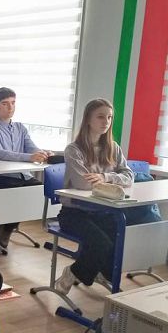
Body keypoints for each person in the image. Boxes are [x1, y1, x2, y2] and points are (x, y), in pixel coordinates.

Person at [55, 98, 134, 294]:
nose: (106, 121)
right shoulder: (74, 149)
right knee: (101, 242)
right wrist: (113, 181)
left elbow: (129, 176)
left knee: (120, 236)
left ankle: (99, 272)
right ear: (88, 119)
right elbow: (83, 183)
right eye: (100, 117)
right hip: (75, 213)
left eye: (109, 117)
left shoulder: (113, 148)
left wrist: (104, 177)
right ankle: (73, 272)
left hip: (103, 211)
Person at [0, 87, 51, 248]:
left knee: (39, 190)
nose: (10, 107)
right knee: (15, 192)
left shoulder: (20, 128)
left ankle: (8, 227)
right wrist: (29, 157)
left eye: (13, 103)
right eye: (5, 104)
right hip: (1, 177)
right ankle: (4, 225)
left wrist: (42, 153)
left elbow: (31, 147)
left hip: (23, 175)